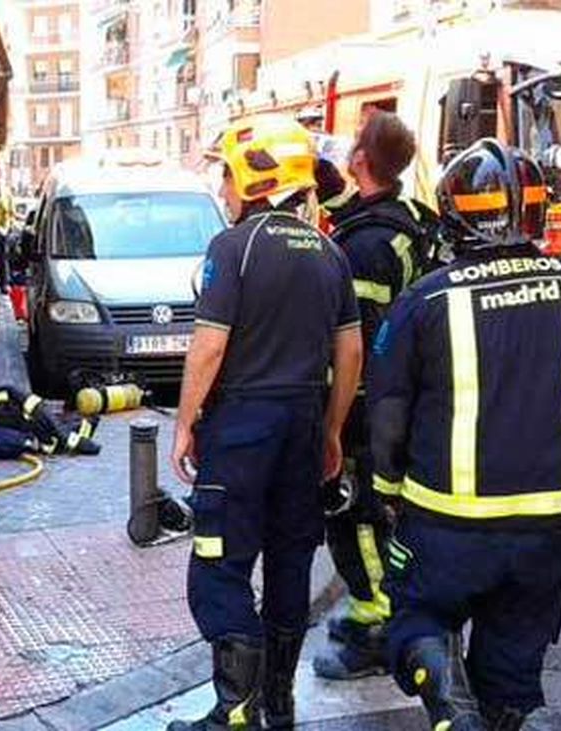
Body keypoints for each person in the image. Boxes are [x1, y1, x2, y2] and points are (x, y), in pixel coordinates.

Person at [370, 140, 561, 730]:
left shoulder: (423, 302)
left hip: (446, 522)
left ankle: (450, 706)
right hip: (549, 526)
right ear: (537, 213)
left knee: (416, 620)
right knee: (511, 664)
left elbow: (387, 414)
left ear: (453, 214)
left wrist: (385, 487)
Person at [168, 115, 363, 730]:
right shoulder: (330, 252)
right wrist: (331, 430)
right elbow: (350, 353)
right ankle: (277, 704)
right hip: (303, 425)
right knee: (288, 564)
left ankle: (235, 711)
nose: (224, 188)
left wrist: (184, 424)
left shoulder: (234, 247)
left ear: (255, 179)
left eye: (228, 175)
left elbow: (208, 347)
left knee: (219, 566)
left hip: (242, 429)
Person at [312, 112, 440, 681]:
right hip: (409, 394)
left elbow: (354, 342)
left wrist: (333, 422)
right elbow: (353, 208)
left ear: (362, 159)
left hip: (367, 402)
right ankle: (385, 606)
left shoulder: (363, 249)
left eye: (352, 146)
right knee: (385, 513)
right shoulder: (410, 218)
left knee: (353, 514)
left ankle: (378, 624)